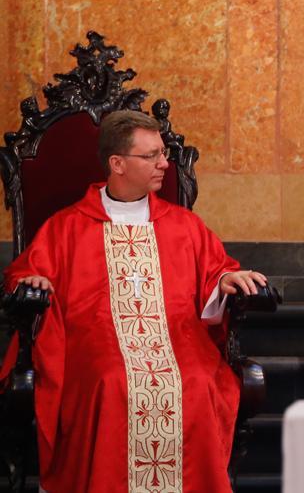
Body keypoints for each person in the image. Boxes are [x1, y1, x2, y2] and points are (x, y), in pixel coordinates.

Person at [2, 110, 268, 492]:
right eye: (153, 156)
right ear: (118, 163)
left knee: (195, 381)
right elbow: (21, 276)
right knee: (112, 381)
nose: (165, 163)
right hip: (96, 341)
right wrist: (35, 280)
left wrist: (226, 279)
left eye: (163, 153)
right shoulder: (68, 226)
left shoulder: (184, 225)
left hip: (176, 339)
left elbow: (215, 269)